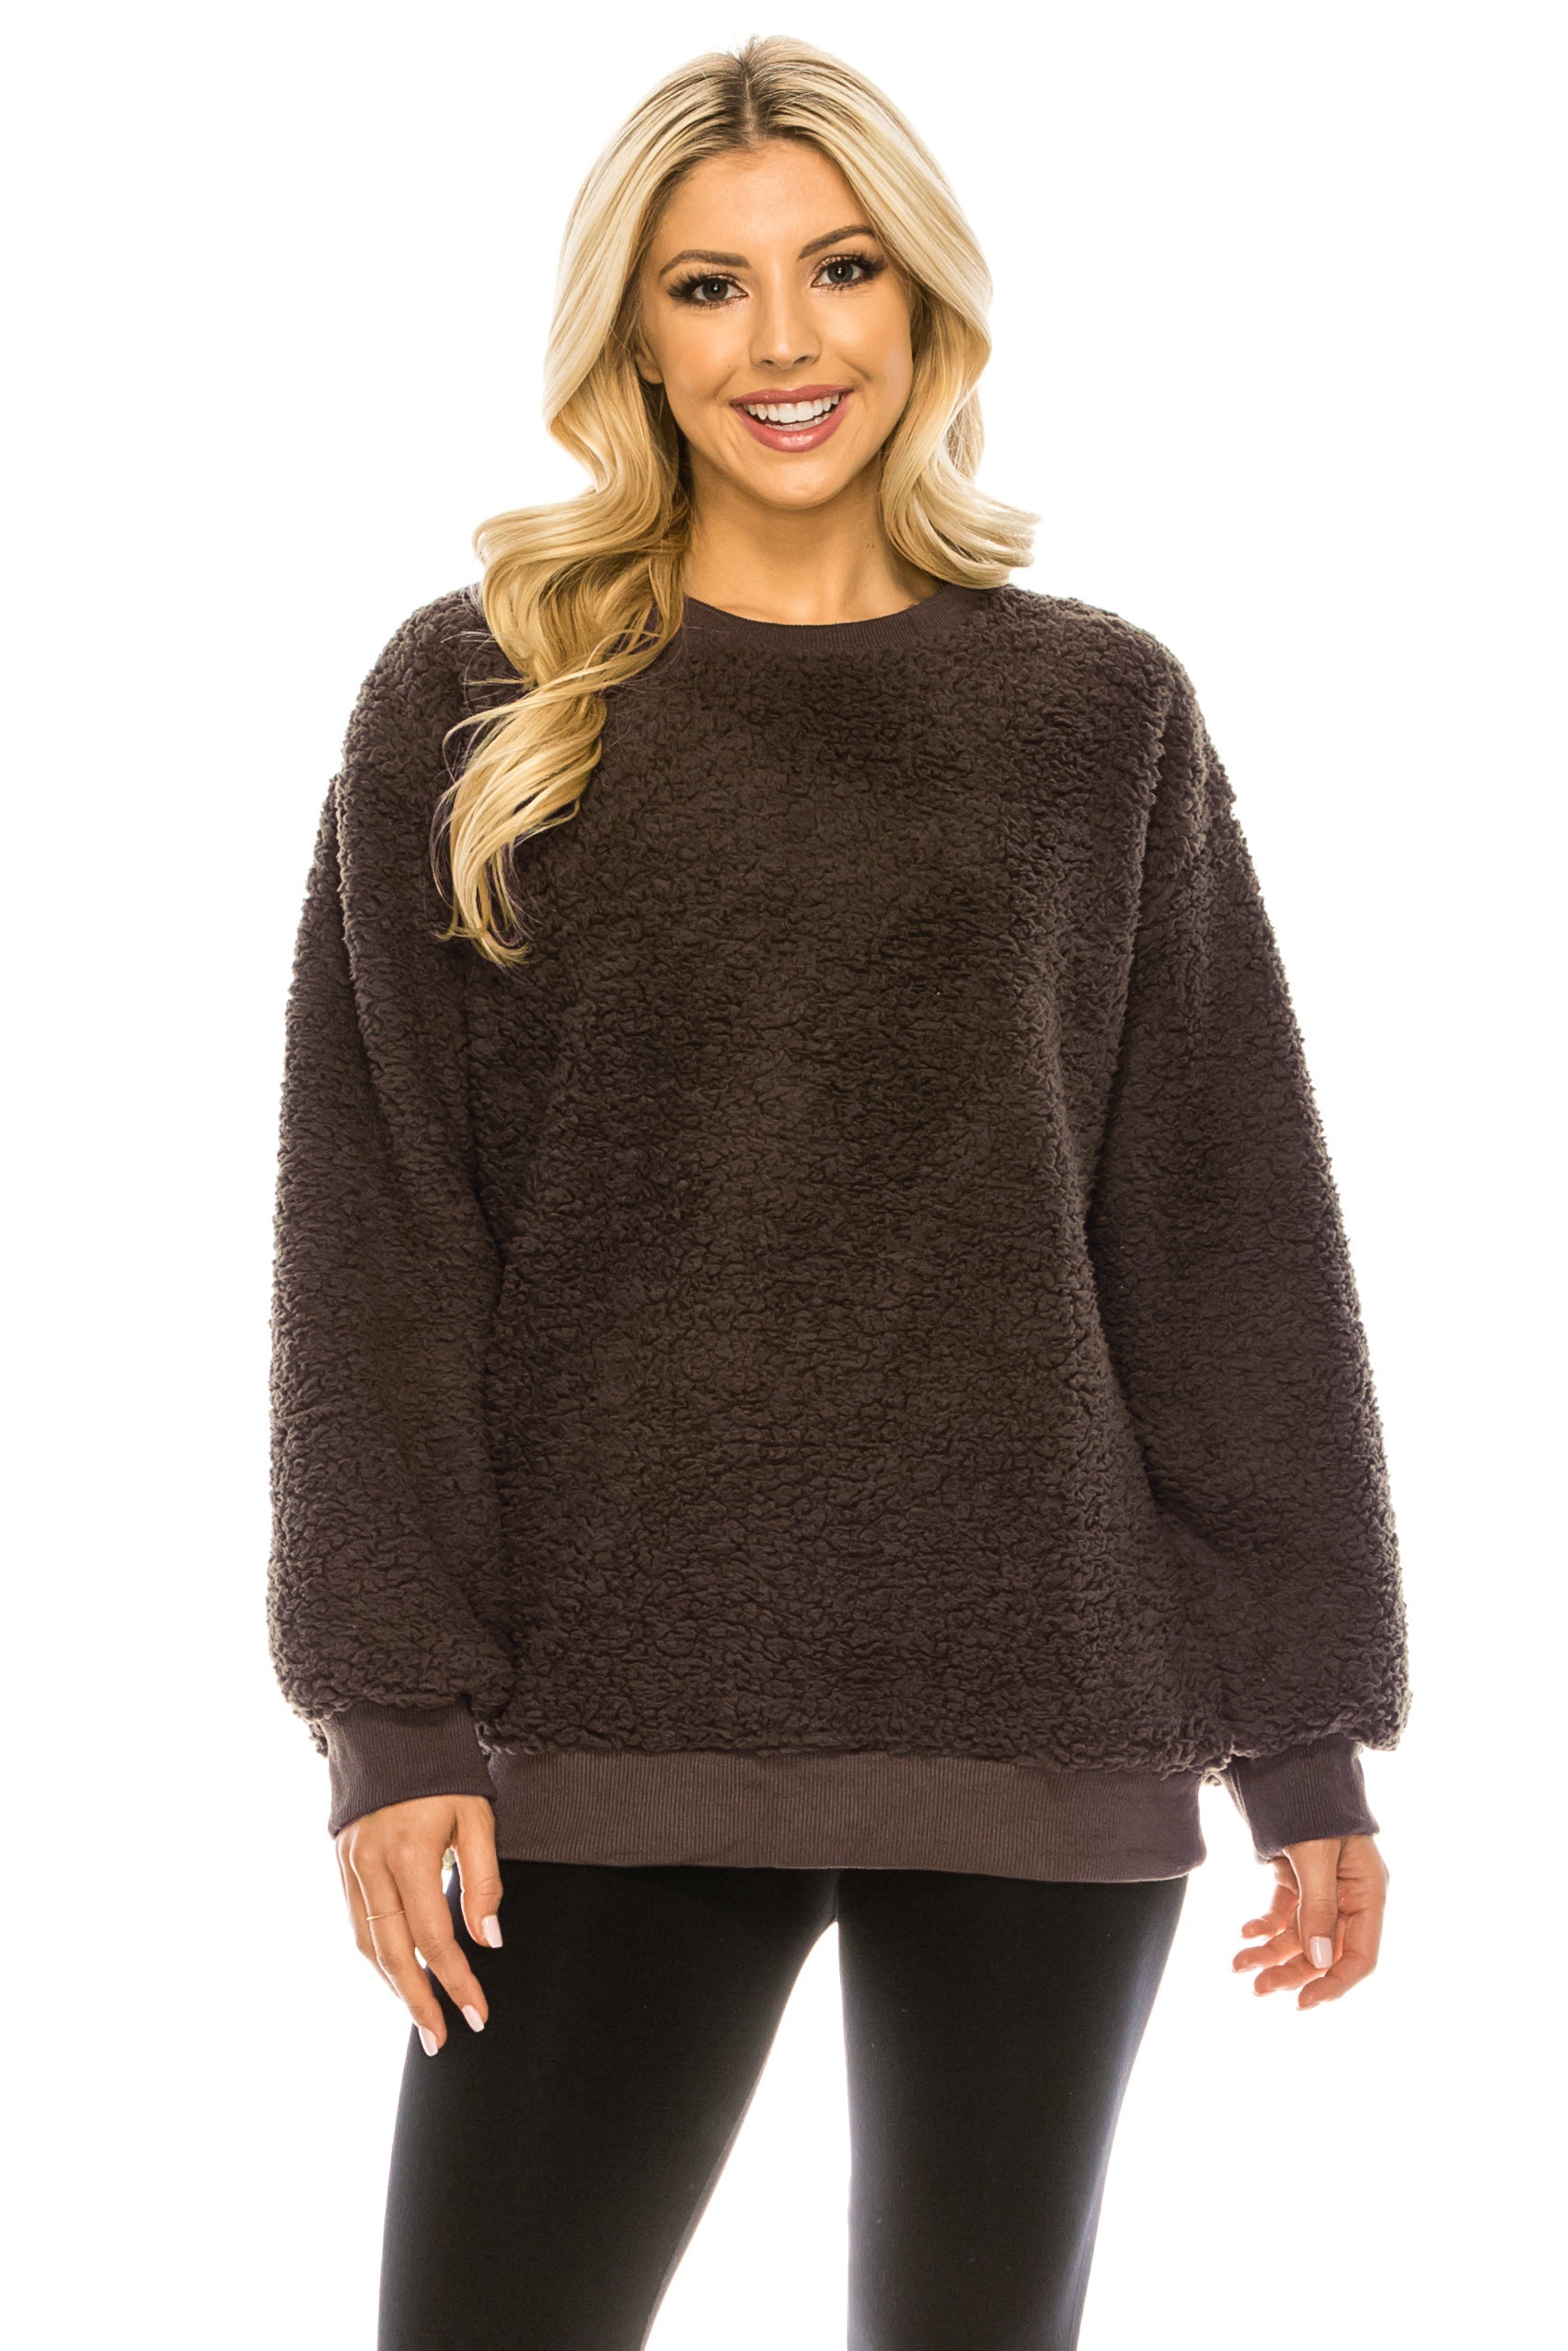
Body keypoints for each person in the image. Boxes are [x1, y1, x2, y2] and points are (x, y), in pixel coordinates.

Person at [267, 34, 1412, 2351]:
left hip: (1042, 1700)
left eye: (844, 269)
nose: (784, 343)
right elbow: (377, 1234)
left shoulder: (1097, 714)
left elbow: (1221, 1222)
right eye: (710, 285)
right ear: (632, 327)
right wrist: (391, 1719)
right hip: (600, 1712)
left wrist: (1303, 1737)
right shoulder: (475, 701)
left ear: (927, 300)